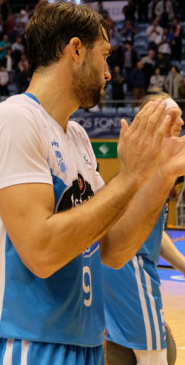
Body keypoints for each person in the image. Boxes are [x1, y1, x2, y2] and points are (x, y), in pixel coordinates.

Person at [0, 1, 185, 364]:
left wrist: (160, 176)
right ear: (75, 49)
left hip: (83, 341)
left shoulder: (78, 138)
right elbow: (41, 253)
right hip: (27, 344)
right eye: (105, 56)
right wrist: (130, 174)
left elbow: (115, 250)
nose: (108, 73)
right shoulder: (15, 120)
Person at [104, 94, 185, 365]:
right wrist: (147, 312)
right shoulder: (143, 176)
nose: (181, 121)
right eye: (175, 118)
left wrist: (182, 264)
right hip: (133, 275)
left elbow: (152, 229)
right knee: (160, 357)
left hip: (128, 279)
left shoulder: (150, 173)